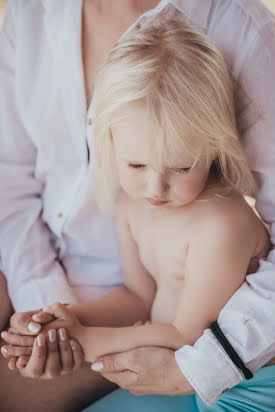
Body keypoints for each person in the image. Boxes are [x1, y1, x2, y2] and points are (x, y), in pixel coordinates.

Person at [0, 0, 275, 411]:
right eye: (137, 165)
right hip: (131, 318)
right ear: (106, 141)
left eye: (181, 167)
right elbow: (137, 296)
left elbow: (186, 337)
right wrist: (57, 319)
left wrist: (86, 338)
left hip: (210, 364)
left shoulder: (220, 226)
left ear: (215, 149)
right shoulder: (132, 205)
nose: (156, 186)